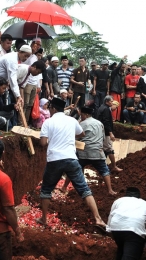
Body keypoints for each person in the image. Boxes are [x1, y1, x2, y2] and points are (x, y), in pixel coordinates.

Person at [36, 97, 107, 231]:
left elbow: (43, 143)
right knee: (84, 189)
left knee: (46, 190)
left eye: (50, 108)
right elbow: (82, 134)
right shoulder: (72, 120)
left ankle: (44, 219)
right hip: (71, 158)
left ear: (53, 108)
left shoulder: (48, 122)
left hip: (55, 160)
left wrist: (52, 138)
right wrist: (69, 136)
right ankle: (98, 218)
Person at [61, 106, 117, 195]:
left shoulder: (82, 124)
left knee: (73, 168)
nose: (81, 117)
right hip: (98, 152)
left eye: (82, 115)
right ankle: (110, 190)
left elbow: (75, 136)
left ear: (86, 115)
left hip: (84, 152)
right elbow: (102, 137)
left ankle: (64, 187)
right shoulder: (100, 123)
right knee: (105, 171)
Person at [107, 187, 146, 260]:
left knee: (122, 249)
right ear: (139, 196)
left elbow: (111, 217)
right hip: (135, 231)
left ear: (126, 195)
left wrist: (109, 230)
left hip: (116, 229)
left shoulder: (118, 201)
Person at [0, 45, 31, 110]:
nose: (26, 58)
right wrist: (18, 96)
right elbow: (13, 79)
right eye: (25, 55)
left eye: (28, 57)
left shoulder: (15, 58)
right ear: (20, 52)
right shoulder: (12, 59)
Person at [97, 96, 123, 172]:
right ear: (107, 102)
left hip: (101, 132)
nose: (112, 103)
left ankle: (103, 166)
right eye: (111, 101)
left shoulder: (102, 107)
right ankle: (114, 166)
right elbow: (106, 122)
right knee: (109, 149)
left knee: (104, 149)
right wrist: (110, 133)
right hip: (105, 132)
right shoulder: (105, 109)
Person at [22, 38, 43, 121]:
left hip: (34, 83)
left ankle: (26, 122)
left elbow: (38, 73)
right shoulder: (27, 55)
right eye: (36, 44)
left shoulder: (34, 56)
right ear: (32, 44)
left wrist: (38, 85)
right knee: (25, 104)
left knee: (30, 105)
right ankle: (21, 122)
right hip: (27, 82)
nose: (37, 47)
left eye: (39, 45)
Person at [109, 56, 127, 121]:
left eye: (124, 67)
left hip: (119, 93)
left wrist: (122, 92)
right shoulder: (114, 73)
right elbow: (117, 68)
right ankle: (113, 119)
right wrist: (122, 60)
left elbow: (122, 85)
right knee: (114, 106)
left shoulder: (121, 75)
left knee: (118, 107)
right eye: (122, 67)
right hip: (114, 92)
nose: (123, 68)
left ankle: (117, 120)